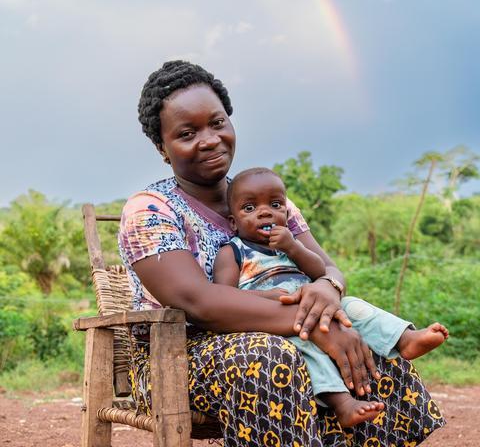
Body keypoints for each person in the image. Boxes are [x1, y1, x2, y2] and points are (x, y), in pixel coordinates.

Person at [118, 59, 446, 446]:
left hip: (285, 328)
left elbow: (329, 269)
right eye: (188, 133)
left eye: (217, 123)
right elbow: (197, 302)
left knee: (363, 337)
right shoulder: (151, 210)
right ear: (162, 147)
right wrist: (317, 329)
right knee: (272, 356)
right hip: (176, 355)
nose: (209, 140)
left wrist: (327, 288)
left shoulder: (269, 200)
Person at [213, 166, 449, 428]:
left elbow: (319, 271)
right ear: (233, 222)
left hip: (319, 308)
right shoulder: (233, 251)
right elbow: (225, 295)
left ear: (286, 212)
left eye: (276, 204)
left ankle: (405, 338)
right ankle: (343, 404)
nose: (265, 212)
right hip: (276, 322)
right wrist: (266, 297)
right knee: (305, 351)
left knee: (353, 306)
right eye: (250, 208)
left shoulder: (290, 246)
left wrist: (294, 247)